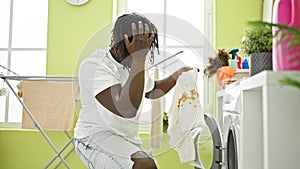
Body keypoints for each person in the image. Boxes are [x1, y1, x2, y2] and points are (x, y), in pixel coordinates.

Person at [74, 13, 192, 169]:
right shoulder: (94, 65)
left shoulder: (134, 65)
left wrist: (177, 75)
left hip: (126, 138)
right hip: (94, 138)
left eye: (147, 43)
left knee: (148, 165)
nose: (145, 49)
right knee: (145, 165)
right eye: (139, 42)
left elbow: (152, 90)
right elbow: (126, 109)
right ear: (120, 39)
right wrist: (139, 57)